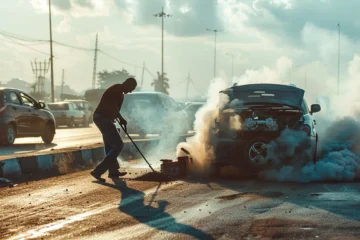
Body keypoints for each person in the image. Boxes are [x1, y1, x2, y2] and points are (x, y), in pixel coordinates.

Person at [90, 78, 137, 182]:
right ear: (127, 84)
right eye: (131, 88)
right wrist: (121, 119)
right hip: (102, 118)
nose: (130, 91)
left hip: (106, 119)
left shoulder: (120, 93)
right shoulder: (116, 89)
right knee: (118, 145)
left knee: (110, 146)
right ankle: (98, 171)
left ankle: (113, 170)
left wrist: (119, 120)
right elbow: (112, 107)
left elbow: (115, 109)